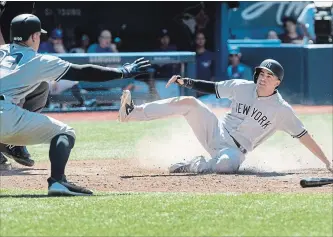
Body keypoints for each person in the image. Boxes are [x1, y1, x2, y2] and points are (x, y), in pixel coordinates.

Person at [0, 14, 151, 195]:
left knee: (40, 85)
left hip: (6, 108)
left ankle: (10, 145)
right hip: (5, 115)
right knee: (65, 132)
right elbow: (84, 72)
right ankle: (58, 182)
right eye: (39, 35)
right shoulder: (38, 60)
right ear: (34, 37)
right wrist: (122, 72)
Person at [117, 59, 333, 175]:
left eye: (270, 76)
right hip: (216, 131)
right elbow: (213, 87)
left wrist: (326, 162)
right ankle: (131, 113)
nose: (263, 78)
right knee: (190, 103)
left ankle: (194, 165)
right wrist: (187, 82)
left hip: (235, 151)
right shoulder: (242, 87)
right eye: (261, 73)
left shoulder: (282, 110)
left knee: (223, 166)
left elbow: (303, 135)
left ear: (278, 82)